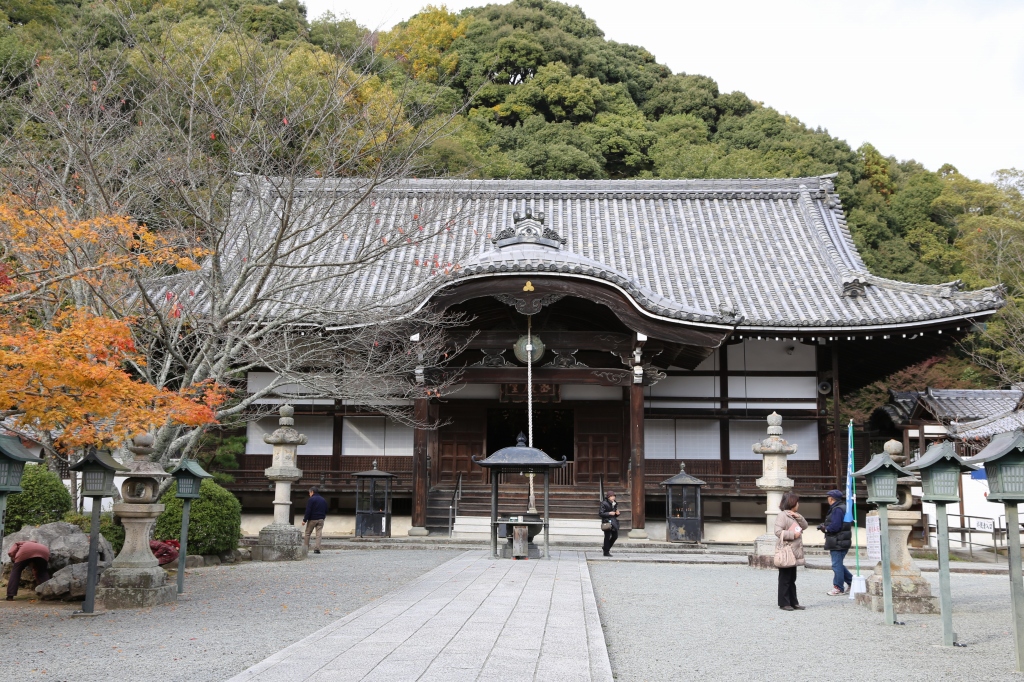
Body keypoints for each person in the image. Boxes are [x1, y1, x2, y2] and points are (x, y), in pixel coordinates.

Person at [774, 492, 808, 611]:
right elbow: (778, 532)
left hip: (794, 551)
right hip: (787, 550)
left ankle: (793, 602)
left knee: (792, 578)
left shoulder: (795, 515)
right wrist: (793, 534)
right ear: (792, 502)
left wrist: (799, 517)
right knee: (785, 578)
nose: (798, 504)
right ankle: (784, 602)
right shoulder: (782, 515)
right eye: (797, 502)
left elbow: (805, 526)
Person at [818, 489, 854, 596]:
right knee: (838, 564)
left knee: (836, 565)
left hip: (838, 540)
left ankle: (838, 587)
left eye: (828, 497)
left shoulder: (837, 509)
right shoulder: (842, 507)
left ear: (831, 499)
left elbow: (836, 526)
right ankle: (852, 582)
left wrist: (825, 528)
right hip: (842, 539)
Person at [302, 486, 328, 554]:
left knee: (307, 533)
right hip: (321, 519)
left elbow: (308, 510)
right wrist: (323, 517)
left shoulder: (311, 499)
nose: (309, 494)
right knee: (318, 534)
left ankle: (305, 548)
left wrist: (304, 520)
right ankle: (317, 549)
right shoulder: (323, 499)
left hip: (312, 519)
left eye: (309, 493)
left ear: (312, 492)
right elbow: (326, 509)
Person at [599, 491, 620, 557]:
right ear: (608, 497)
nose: (613, 497)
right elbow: (601, 513)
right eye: (611, 496)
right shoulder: (604, 503)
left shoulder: (615, 503)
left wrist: (617, 514)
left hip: (613, 521)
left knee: (615, 536)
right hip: (607, 522)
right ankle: (606, 552)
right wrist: (609, 513)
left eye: (614, 496)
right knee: (607, 537)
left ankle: (605, 547)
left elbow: (615, 513)